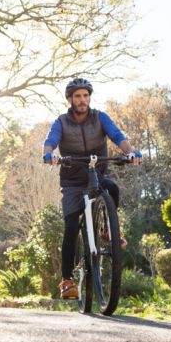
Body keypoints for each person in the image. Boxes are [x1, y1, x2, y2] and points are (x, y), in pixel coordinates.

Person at [42, 77, 141, 299]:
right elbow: (51, 140)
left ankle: (108, 229)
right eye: (77, 96)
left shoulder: (100, 118)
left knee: (112, 189)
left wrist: (131, 151)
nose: (82, 100)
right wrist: (49, 154)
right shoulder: (61, 121)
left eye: (85, 96)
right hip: (72, 181)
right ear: (70, 99)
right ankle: (67, 281)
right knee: (69, 228)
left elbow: (117, 136)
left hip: (97, 174)